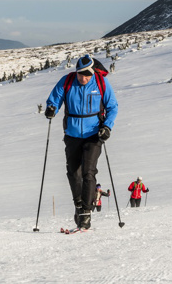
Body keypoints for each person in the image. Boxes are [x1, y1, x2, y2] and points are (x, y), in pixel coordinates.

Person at [45, 54, 118, 229]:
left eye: (87, 75)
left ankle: (86, 212)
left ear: (93, 72)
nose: (83, 78)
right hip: (72, 134)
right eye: (80, 74)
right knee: (73, 172)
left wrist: (107, 127)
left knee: (88, 172)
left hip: (94, 134)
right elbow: (55, 98)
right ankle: (78, 204)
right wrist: (51, 107)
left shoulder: (100, 83)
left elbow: (112, 106)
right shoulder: (68, 81)